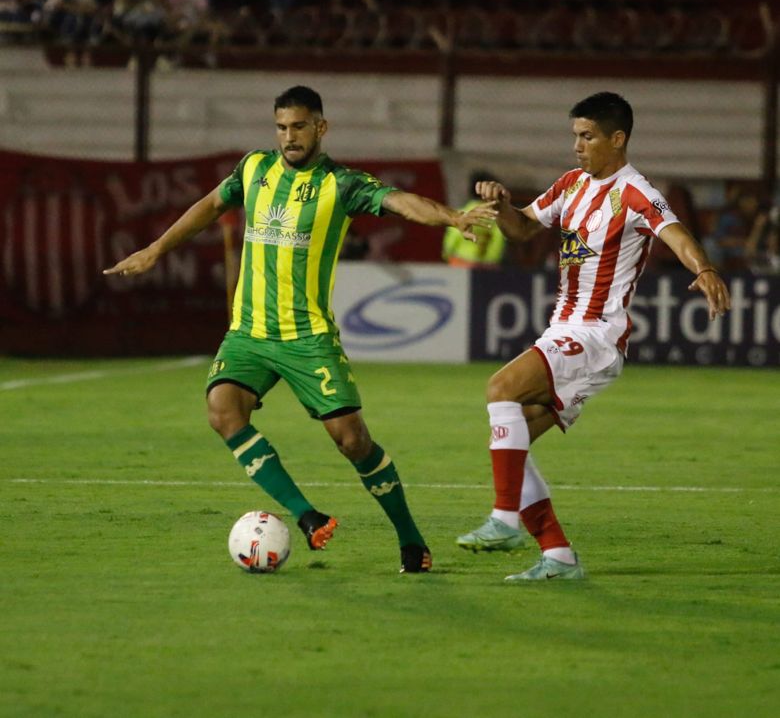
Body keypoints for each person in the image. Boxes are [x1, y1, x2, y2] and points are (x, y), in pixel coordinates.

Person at [103, 85, 496, 573]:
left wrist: (452, 217)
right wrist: (156, 249)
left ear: (320, 128)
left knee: (352, 440)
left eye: (299, 127)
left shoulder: (341, 183)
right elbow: (208, 206)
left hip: (308, 337)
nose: (289, 137)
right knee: (222, 411)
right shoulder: (254, 169)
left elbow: (399, 201)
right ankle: (307, 516)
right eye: (282, 127)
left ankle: (411, 540)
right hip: (249, 333)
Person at [456, 91, 730, 581]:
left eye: (588, 137)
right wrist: (500, 206)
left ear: (617, 139)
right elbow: (521, 231)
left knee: (500, 388)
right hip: (565, 330)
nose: (578, 146)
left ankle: (504, 520)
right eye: (575, 136)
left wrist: (705, 268)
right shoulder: (570, 184)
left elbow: (676, 232)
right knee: (509, 440)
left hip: (597, 335)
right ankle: (558, 556)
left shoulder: (634, 191)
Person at [442, 170, 506, 268]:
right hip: (486, 267)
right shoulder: (495, 217)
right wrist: (493, 261)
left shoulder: (462, 213)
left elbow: (452, 240)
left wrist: (447, 255)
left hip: (460, 263)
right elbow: (498, 242)